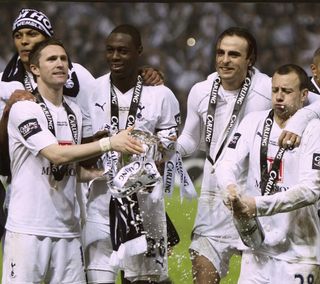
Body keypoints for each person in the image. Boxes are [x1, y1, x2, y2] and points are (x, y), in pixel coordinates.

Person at [177, 27, 320, 283]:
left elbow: (313, 103)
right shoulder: (202, 90)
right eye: (220, 53)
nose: (225, 60)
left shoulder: (267, 87)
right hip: (221, 198)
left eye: (234, 54)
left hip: (266, 210)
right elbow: (197, 142)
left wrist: (303, 119)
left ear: (249, 60)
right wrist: (170, 148)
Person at [2, 38, 144, 283]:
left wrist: (107, 175)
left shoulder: (74, 112)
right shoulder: (24, 109)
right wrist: (110, 143)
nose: (59, 64)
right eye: (51, 59)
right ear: (35, 69)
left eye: (63, 59)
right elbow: (55, 153)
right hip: (28, 230)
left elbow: (70, 169)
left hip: (69, 232)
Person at [78, 24, 181, 283]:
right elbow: (85, 149)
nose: (115, 57)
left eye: (123, 51)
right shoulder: (92, 92)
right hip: (101, 204)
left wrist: (150, 145)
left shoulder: (161, 94)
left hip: (146, 206)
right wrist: (103, 142)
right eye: (110, 50)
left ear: (139, 52)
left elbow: (169, 147)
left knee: (145, 280)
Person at [216, 64, 320, 283]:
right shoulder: (253, 121)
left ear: (303, 95)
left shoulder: (314, 130)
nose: (279, 97)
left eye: (287, 91)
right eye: (275, 90)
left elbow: (310, 191)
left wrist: (257, 204)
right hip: (257, 249)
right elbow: (226, 163)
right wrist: (230, 189)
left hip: (300, 253)